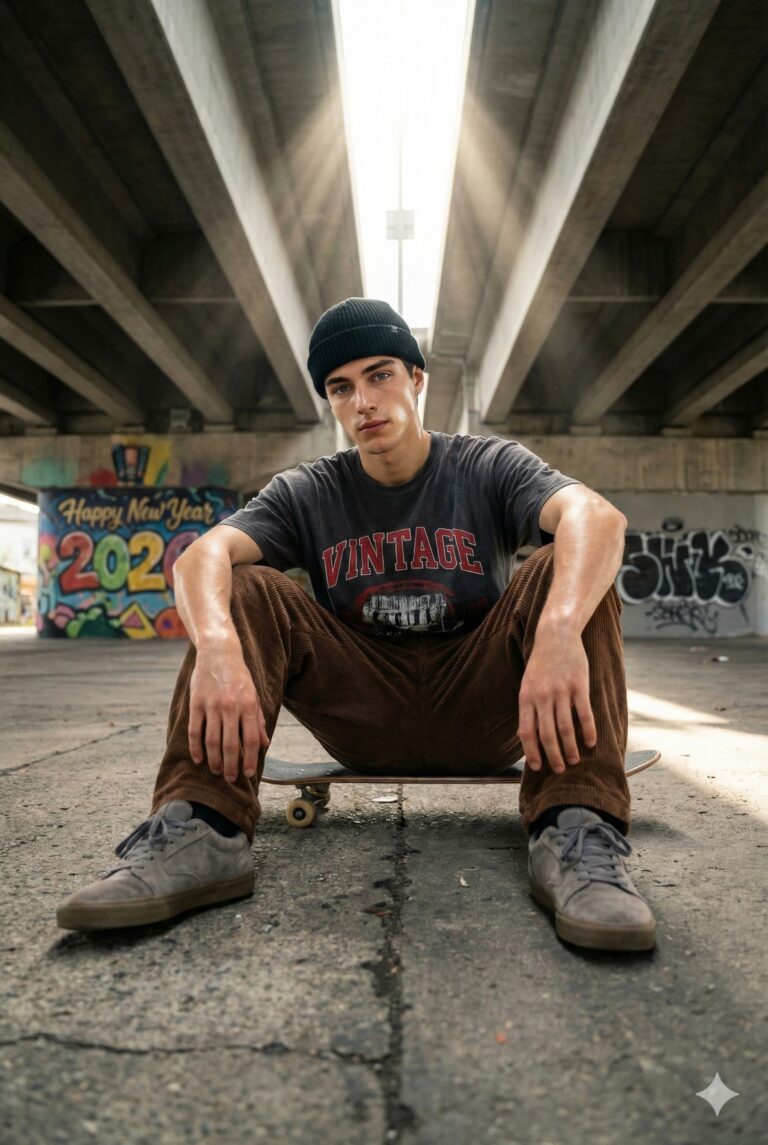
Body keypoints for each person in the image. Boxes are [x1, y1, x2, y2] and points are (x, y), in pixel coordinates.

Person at [57, 298, 655, 951]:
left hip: (483, 704)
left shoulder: (486, 466)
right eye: (342, 388)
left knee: (564, 565)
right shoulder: (310, 490)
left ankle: (577, 832)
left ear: (417, 379)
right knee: (248, 587)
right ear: (332, 404)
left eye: (380, 375)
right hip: (363, 709)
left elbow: (597, 518)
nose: (364, 400)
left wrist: (560, 629)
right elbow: (203, 556)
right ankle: (200, 830)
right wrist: (218, 646)